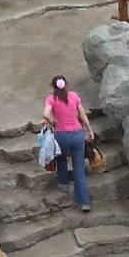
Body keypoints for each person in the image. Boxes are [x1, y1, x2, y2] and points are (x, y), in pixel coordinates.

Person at [42, 74, 95, 211]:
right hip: (77, 135)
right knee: (79, 169)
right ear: (66, 84)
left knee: (61, 158)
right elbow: (82, 116)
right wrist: (90, 130)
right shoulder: (74, 96)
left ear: (53, 86)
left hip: (61, 135)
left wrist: (52, 121)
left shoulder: (51, 99)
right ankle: (84, 202)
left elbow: (46, 114)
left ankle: (63, 183)